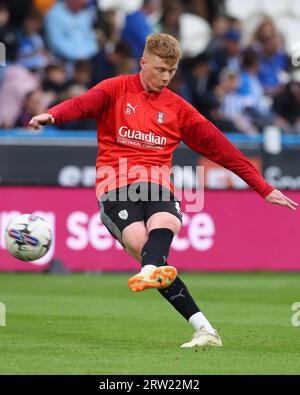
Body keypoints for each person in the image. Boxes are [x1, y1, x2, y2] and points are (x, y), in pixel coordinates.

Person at [29, 33, 298, 348]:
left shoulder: (178, 108)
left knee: (166, 222)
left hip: (157, 182)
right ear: (143, 63)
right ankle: (158, 275)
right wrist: (53, 115)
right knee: (140, 243)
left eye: (171, 71)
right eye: (159, 70)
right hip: (115, 184)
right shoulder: (115, 90)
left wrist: (262, 187)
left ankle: (205, 331)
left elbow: (221, 148)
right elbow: (81, 104)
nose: (166, 77)